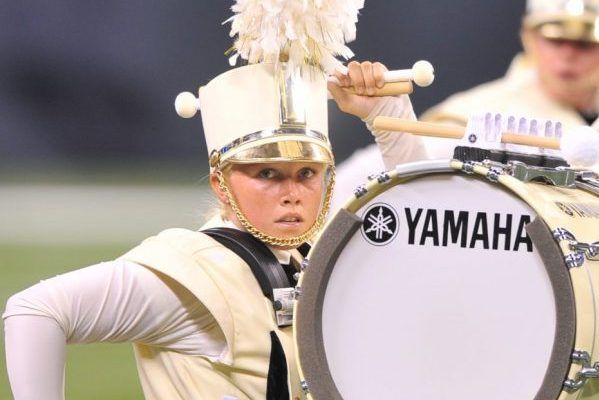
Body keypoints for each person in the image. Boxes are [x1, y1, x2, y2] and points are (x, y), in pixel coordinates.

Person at [2, 58, 424, 399]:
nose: (292, 192)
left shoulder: (314, 258)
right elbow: (35, 310)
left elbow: (426, 245)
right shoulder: (197, 271)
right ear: (221, 184)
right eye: (267, 174)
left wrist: (388, 115)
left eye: (306, 173)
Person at [333, 0, 599, 206]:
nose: (567, 55)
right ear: (529, 37)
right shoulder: (482, 112)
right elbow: (356, 182)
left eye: (584, 44)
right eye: (555, 40)